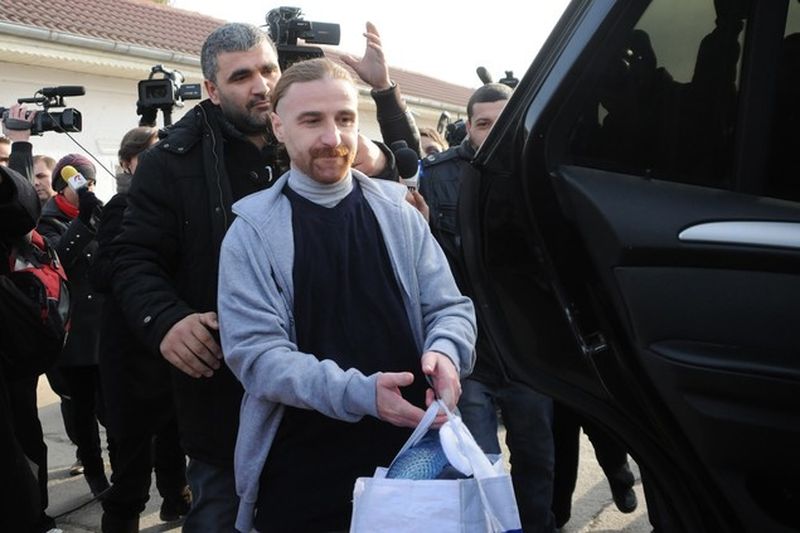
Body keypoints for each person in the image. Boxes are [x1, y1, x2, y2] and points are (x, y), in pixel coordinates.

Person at [110, 22, 423, 531]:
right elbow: (129, 257)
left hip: (352, 387)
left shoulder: (313, 134)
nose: (260, 85)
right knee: (222, 513)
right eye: (241, 77)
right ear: (211, 89)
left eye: (268, 69)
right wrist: (164, 318)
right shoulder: (170, 162)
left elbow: (406, 173)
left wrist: (383, 105)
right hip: (228, 398)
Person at [216, 56, 476, 532]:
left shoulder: (399, 215)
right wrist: (361, 393)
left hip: (414, 463)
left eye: (345, 119)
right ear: (278, 126)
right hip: (304, 479)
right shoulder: (251, 233)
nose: (332, 138)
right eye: (311, 120)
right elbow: (256, 357)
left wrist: (446, 352)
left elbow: (450, 308)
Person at [419, 83, 557, 533]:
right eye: (483, 124)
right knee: (478, 466)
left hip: (526, 351)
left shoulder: (536, 170)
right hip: (470, 354)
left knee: (537, 461)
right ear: (468, 126)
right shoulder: (437, 175)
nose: (493, 133)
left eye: (503, 123)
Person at [90, 126, 190, 532]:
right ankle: (124, 516)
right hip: (132, 351)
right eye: (148, 154)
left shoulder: (174, 202)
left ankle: (175, 498)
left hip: (171, 342)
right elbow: (104, 273)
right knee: (132, 453)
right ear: (128, 163)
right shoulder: (122, 206)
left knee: (173, 435)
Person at [37, 154, 110, 498]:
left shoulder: (98, 213)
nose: (86, 189)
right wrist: (83, 221)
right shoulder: (46, 221)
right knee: (82, 410)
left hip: (105, 329)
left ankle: (123, 465)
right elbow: (58, 257)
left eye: (90, 182)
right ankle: (95, 472)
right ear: (61, 186)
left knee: (113, 407)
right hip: (74, 332)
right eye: (79, 183)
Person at [0, 164, 61, 533]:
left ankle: (37, 517)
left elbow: (23, 209)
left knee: (22, 442)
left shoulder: (12, 209)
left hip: (11, 354)